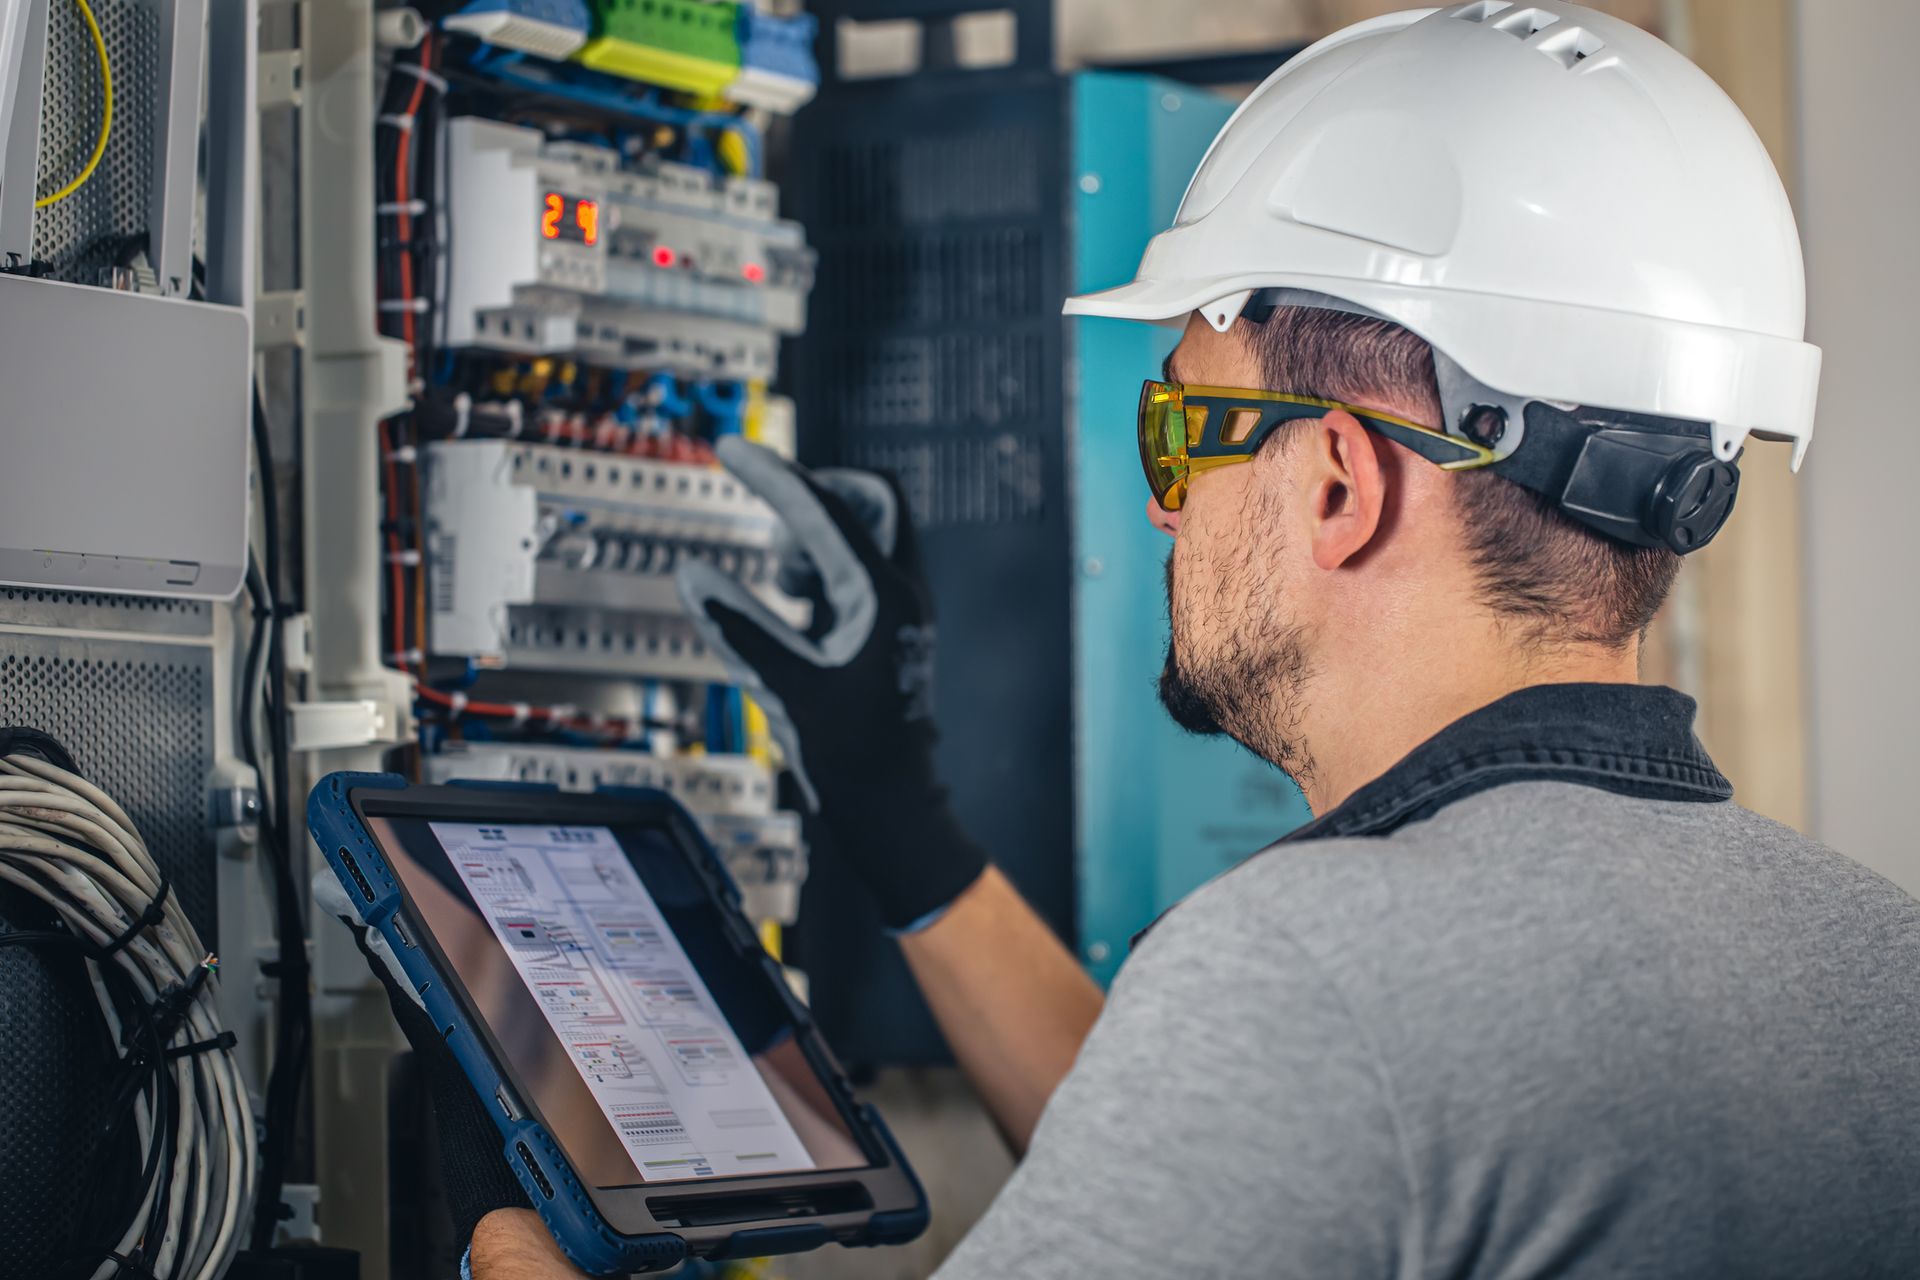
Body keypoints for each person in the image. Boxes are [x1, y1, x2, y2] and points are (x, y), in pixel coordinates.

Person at [372, 5, 1920, 1275]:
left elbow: (1319, 1075)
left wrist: (504, 1231)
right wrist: (895, 811)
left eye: (1181, 425)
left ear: (1338, 482)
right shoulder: (1869, 961)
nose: (1164, 511)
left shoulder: (1317, 969)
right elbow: (1256, 1171)